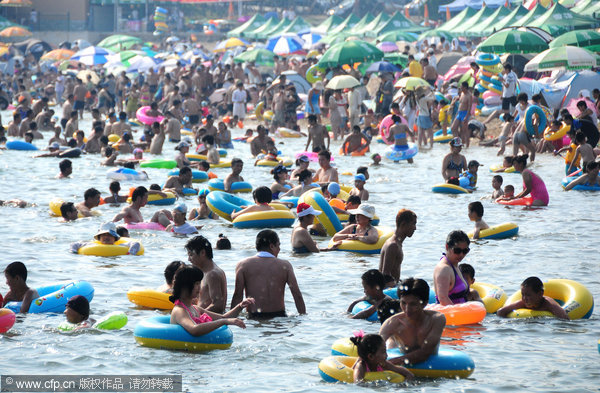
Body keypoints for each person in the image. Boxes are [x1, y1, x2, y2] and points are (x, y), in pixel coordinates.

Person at [231, 230, 306, 318]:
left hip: (254, 317)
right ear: (272, 246)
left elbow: (237, 295)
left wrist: (230, 319)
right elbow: (297, 295)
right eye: (278, 245)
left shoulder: (243, 265)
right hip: (279, 317)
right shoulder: (285, 266)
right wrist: (303, 316)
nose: (279, 249)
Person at [379, 278, 446, 366]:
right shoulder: (392, 323)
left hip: (432, 366)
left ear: (424, 303)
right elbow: (375, 349)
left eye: (413, 304)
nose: (407, 309)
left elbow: (425, 352)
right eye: (403, 303)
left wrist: (391, 363)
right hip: (404, 368)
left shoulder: (436, 319)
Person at [170, 266, 252, 335]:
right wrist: (223, 322)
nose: (199, 287)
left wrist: (240, 306)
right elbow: (194, 329)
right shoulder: (179, 311)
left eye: (199, 283)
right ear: (184, 287)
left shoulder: (196, 308)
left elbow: (224, 317)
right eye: (196, 284)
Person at [185, 235, 228, 313]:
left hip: (208, 321)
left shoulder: (212, 274)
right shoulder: (205, 272)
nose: (189, 259)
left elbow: (218, 305)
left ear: (202, 253)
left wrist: (196, 315)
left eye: (191, 255)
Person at [497, 277, 568, 320]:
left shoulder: (549, 304)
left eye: (528, 295)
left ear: (540, 294)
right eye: (523, 294)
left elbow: (564, 318)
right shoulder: (522, 303)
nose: (524, 298)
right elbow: (501, 311)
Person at [433, 230, 471, 305]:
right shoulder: (444, 269)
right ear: (447, 247)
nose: (461, 255)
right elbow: (443, 299)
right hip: (450, 315)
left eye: (465, 251)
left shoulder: (454, 264)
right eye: (457, 250)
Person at [379, 209, 417, 282]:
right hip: (388, 289)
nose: (415, 228)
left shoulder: (397, 243)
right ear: (403, 224)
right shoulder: (393, 245)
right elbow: (385, 275)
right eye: (413, 224)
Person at [70, 222, 141, 255]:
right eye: (103, 235)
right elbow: (75, 244)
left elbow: (135, 243)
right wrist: (74, 252)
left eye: (109, 235)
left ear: (115, 237)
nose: (106, 237)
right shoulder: (90, 245)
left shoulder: (121, 246)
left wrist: (131, 253)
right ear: (99, 237)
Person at [450, 82, 473, 147]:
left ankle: (467, 146)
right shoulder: (462, 94)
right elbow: (460, 104)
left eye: (462, 87)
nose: (460, 88)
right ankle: (457, 142)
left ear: (465, 88)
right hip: (459, 113)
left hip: (465, 113)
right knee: (453, 128)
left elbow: (469, 107)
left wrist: (467, 116)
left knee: (464, 131)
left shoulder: (469, 95)